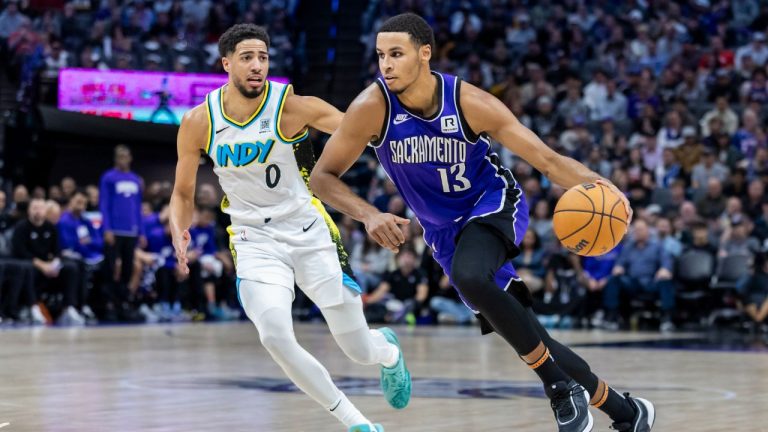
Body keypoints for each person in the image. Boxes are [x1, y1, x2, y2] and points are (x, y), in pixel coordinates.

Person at [310, 13, 654, 432]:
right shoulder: (371, 107)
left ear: (424, 54)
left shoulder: (470, 101)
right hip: (442, 233)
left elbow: (546, 160)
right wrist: (369, 213)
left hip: (491, 204)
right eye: (381, 55)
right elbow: (322, 177)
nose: (385, 64)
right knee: (527, 332)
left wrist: (606, 188)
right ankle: (627, 413)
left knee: (473, 277)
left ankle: (558, 390)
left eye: (396, 54)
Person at [169, 24, 409, 432]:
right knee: (275, 336)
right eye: (247, 58)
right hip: (252, 239)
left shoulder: (290, 105)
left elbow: (357, 129)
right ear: (226, 63)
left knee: (357, 349)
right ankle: (357, 423)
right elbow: (182, 193)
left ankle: (386, 352)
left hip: (308, 231)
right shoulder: (199, 121)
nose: (257, 65)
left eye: (263, 57)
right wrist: (179, 229)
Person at [100, 144, 144, 319]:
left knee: (127, 269)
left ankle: (123, 303)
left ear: (130, 158)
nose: (123, 159)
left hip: (131, 232)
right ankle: (109, 304)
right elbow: (104, 204)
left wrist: (142, 232)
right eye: (120, 156)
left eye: (126, 155)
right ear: (115, 158)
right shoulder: (108, 177)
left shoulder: (136, 180)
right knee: (111, 268)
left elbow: (138, 208)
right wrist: (107, 228)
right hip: (114, 231)